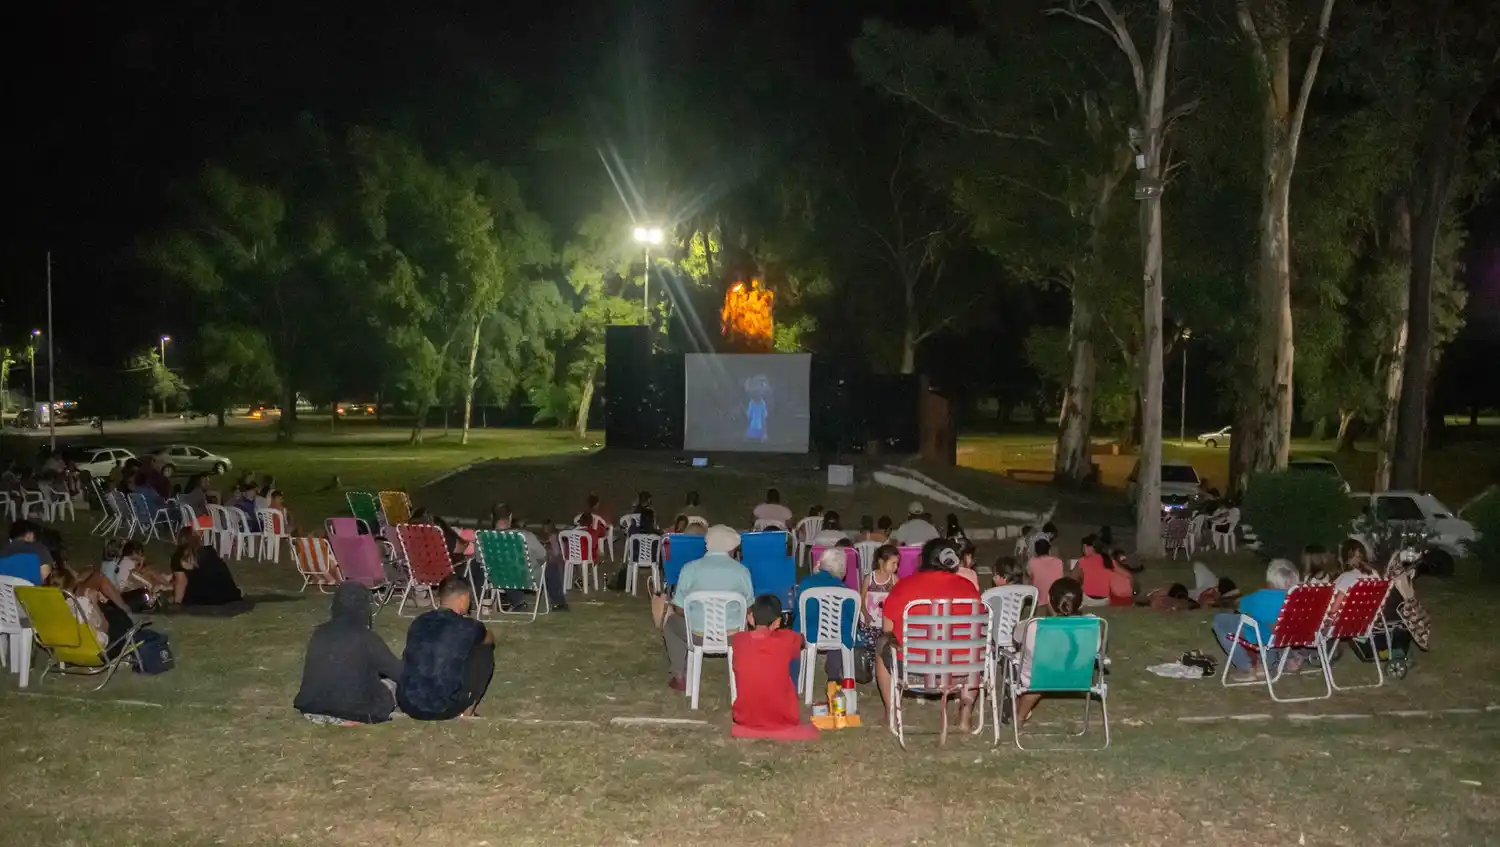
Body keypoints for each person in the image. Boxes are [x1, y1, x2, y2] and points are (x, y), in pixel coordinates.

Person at [876, 539, 983, 731]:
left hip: (915, 670)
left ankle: (890, 713)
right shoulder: (969, 588)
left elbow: (887, 629)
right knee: (974, 647)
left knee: (882, 643)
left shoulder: (904, 586)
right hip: (961, 671)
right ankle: (965, 717)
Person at [294, 583, 404, 725]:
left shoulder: (319, 632)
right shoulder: (365, 636)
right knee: (392, 685)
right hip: (355, 711)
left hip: (312, 707)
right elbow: (398, 673)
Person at [663, 525, 755, 691]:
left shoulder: (690, 568)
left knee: (671, 623)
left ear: (707, 544)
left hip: (698, 635)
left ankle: (679, 675)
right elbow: (749, 609)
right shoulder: (742, 571)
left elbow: (678, 609)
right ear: (732, 548)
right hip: (733, 637)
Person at [398, 575, 495, 720]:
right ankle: (467, 712)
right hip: (445, 708)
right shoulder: (469, 627)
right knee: (484, 651)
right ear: (463, 598)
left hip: (408, 704)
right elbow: (490, 640)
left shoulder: (419, 621)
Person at [730, 595, 818, 740]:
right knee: (792, 658)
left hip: (746, 718)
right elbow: (802, 640)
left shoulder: (739, 640)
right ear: (777, 621)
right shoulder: (787, 639)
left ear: (751, 617)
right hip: (783, 718)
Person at [1211, 559, 1301, 681]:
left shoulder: (1263, 597)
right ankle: (1288, 659)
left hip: (1266, 637)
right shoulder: (1302, 598)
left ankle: (1247, 667)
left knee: (1220, 620)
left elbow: (1240, 605)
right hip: (1288, 637)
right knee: (1270, 622)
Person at [1013, 577, 1086, 724]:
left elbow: (1016, 636)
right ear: (1081, 603)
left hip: (1038, 678)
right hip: (1075, 678)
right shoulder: (1092, 626)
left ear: (1048, 599)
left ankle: (1018, 714)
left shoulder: (1033, 626)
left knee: (1015, 658)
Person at [794, 548, 857, 683]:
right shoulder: (844, 590)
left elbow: (796, 609)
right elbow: (852, 614)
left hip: (808, 633)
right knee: (842, 627)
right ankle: (834, 674)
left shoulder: (806, 584)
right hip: (835, 634)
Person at [170, 527, 244, 606]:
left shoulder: (177, 557)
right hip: (227, 595)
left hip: (202, 600)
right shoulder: (210, 551)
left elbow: (181, 583)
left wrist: (176, 603)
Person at [860, 544, 900, 643]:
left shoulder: (894, 580)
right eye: (893, 563)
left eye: (897, 564)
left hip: (886, 624)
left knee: (884, 647)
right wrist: (865, 614)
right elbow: (861, 598)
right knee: (869, 648)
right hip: (869, 623)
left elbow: (898, 601)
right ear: (881, 562)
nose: (896, 567)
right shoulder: (869, 578)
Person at [1026, 538, 1066, 608]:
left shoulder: (1031, 562)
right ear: (1049, 550)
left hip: (1039, 602)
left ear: (1036, 551)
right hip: (1056, 602)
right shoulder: (1059, 562)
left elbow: (1030, 577)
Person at [1075, 535, 1111, 607]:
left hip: (1088, 600)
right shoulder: (1108, 560)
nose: (1083, 550)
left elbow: (1073, 579)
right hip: (1105, 600)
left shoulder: (1082, 561)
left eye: (1084, 547)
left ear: (1091, 548)